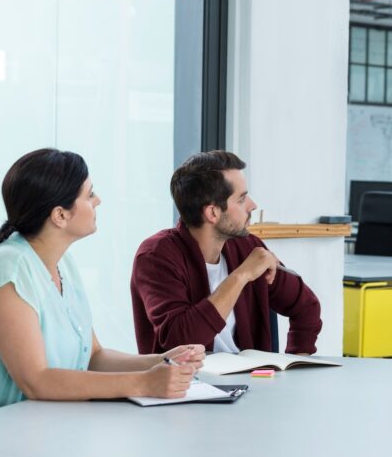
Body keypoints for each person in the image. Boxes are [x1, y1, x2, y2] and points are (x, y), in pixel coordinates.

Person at [0, 149, 203, 413]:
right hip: (4, 433)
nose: (98, 200)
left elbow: (93, 356)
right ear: (60, 215)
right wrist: (143, 383)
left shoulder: (64, 264)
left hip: (52, 425)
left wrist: (162, 361)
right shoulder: (9, 266)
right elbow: (36, 380)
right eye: (89, 194)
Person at [130, 150, 322, 355]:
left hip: (253, 383)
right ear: (212, 213)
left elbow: (306, 307)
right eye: (241, 200)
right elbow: (180, 342)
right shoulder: (155, 257)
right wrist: (241, 276)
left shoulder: (247, 247)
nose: (252, 206)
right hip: (187, 384)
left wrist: (295, 364)